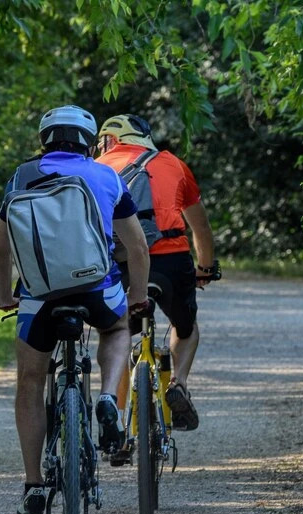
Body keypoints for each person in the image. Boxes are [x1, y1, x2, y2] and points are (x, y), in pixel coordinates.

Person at [0, 105, 150, 514]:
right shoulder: (107, 176)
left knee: (29, 381)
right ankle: (108, 397)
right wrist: (136, 297)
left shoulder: (22, 176)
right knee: (117, 328)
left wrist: (3, 296)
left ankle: (33, 484)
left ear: (44, 141)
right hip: (96, 288)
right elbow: (137, 247)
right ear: (89, 142)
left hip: (40, 294)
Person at [96, 114, 219, 437]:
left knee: (117, 335)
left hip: (121, 262)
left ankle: (116, 416)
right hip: (171, 261)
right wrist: (205, 268)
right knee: (185, 326)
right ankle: (178, 383)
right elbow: (201, 227)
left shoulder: (98, 168)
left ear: (110, 140)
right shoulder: (174, 164)